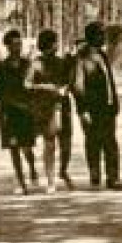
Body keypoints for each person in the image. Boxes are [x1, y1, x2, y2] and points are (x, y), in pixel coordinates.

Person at [74, 21, 122, 190]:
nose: (103, 37)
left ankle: (113, 177)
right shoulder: (82, 58)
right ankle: (95, 175)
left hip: (108, 107)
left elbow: (109, 81)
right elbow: (78, 87)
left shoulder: (103, 55)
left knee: (111, 142)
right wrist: (83, 110)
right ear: (92, 37)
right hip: (93, 109)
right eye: (100, 34)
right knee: (93, 142)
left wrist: (114, 102)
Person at [0, 30, 39, 194]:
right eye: (14, 44)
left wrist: (31, 104)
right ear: (8, 46)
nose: (17, 47)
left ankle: (32, 167)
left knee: (26, 147)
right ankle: (21, 181)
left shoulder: (28, 64)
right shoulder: (0, 67)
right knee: (13, 147)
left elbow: (34, 86)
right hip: (8, 113)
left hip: (26, 111)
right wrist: (10, 102)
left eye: (20, 44)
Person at [31, 29, 74, 191]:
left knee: (67, 143)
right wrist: (47, 87)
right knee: (50, 144)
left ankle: (63, 170)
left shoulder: (61, 62)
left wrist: (65, 88)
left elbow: (69, 81)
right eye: (55, 41)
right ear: (49, 44)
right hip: (46, 108)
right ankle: (50, 181)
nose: (57, 44)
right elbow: (27, 85)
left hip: (63, 106)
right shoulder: (36, 63)